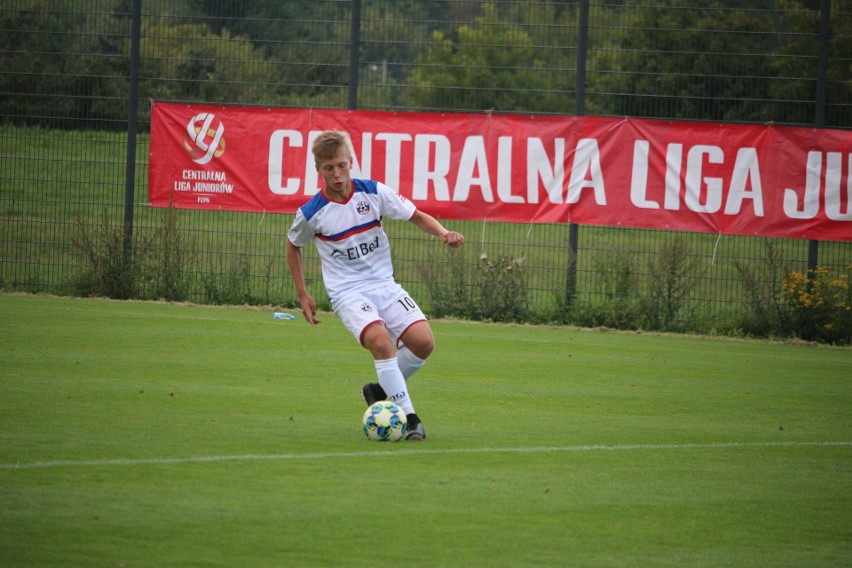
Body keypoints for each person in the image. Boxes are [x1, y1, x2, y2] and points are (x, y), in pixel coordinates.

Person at [286, 131, 464, 441]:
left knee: (423, 342)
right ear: (319, 170)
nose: (337, 174)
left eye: (341, 165)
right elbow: (293, 245)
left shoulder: (373, 192)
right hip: (348, 293)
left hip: (384, 283)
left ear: (351, 162)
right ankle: (409, 418)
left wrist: (443, 233)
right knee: (381, 342)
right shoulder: (312, 213)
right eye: (329, 168)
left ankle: (379, 391)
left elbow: (416, 215)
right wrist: (303, 293)